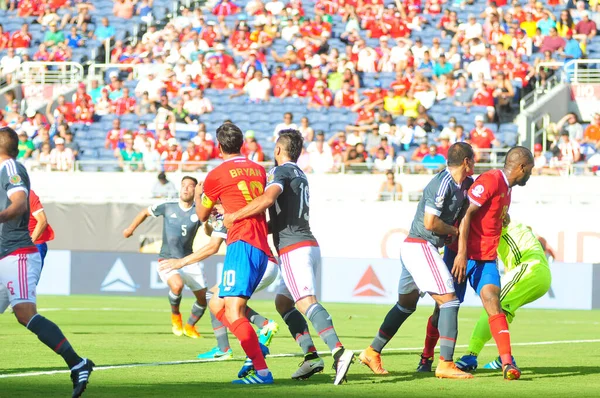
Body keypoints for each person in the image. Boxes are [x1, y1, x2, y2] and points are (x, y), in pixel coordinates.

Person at [224, 129, 355, 384]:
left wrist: (236, 216)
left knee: (306, 302)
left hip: (294, 248)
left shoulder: (279, 172)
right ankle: (310, 356)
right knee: (283, 303)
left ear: (278, 150)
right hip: (305, 244)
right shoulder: (300, 174)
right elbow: (281, 220)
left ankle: (338, 351)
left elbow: (268, 197)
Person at [359, 143, 475, 379]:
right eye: (473, 160)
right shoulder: (441, 183)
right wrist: (454, 231)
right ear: (466, 162)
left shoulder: (466, 184)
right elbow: (431, 223)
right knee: (449, 300)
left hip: (418, 248)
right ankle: (446, 363)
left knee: (406, 305)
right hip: (421, 245)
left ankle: (372, 351)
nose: (475, 164)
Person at [0, 127, 93, 397]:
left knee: (25, 313)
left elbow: (19, 203)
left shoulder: (10, 167)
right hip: (4, 254)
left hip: (16, 253)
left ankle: (77, 363)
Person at [196, 122, 273, 385]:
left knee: (234, 311)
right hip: (261, 243)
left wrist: (199, 195)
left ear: (219, 146)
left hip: (241, 242)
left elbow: (202, 215)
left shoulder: (216, 175)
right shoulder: (259, 169)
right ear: (242, 144)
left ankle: (262, 371)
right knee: (217, 302)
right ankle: (252, 345)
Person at [453, 146, 535, 380]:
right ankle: (427, 358)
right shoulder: (490, 179)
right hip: (462, 255)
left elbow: (488, 215)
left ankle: (507, 363)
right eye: (530, 169)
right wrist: (460, 253)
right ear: (521, 167)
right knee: (444, 308)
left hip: (485, 259)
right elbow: (466, 213)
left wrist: (502, 217)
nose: (531, 174)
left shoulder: (507, 190)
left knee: (493, 302)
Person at [159, 212, 280, 360]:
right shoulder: (234, 212)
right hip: (266, 262)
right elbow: (213, 233)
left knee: (220, 300)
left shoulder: (225, 215)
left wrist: (181, 262)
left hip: (253, 263)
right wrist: (209, 223)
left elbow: (212, 246)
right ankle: (258, 328)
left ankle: (231, 345)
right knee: (216, 297)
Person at [123, 177, 207, 339]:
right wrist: (130, 229)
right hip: (167, 259)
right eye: (183, 185)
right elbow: (144, 212)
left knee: (204, 299)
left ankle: (190, 326)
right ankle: (176, 317)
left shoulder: (199, 210)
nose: (185, 189)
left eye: (190, 186)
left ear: (196, 190)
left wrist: (208, 224)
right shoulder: (168, 205)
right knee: (177, 286)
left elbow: (210, 232)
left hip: (189, 260)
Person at [28, 190, 54, 271]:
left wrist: (28, 244)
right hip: (9, 245)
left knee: (28, 280)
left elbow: (42, 221)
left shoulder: (28, 194)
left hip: (33, 244)